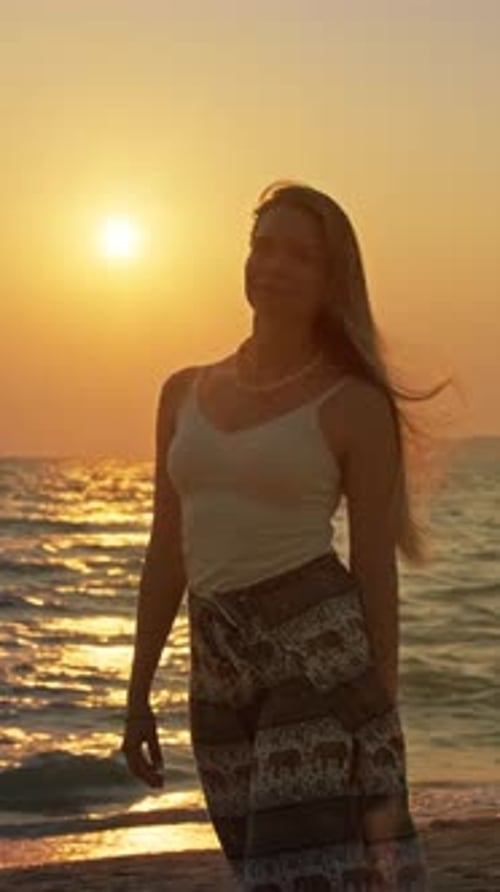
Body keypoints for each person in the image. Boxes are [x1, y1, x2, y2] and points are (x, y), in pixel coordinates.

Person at [122, 181, 443, 890]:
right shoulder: (181, 392)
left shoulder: (353, 404)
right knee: (257, 866)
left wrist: (380, 718)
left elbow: (374, 571)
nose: (274, 266)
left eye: (299, 255)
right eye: (264, 247)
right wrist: (137, 691)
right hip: (216, 663)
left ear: (331, 280)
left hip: (316, 655)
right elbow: (166, 547)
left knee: (290, 872)